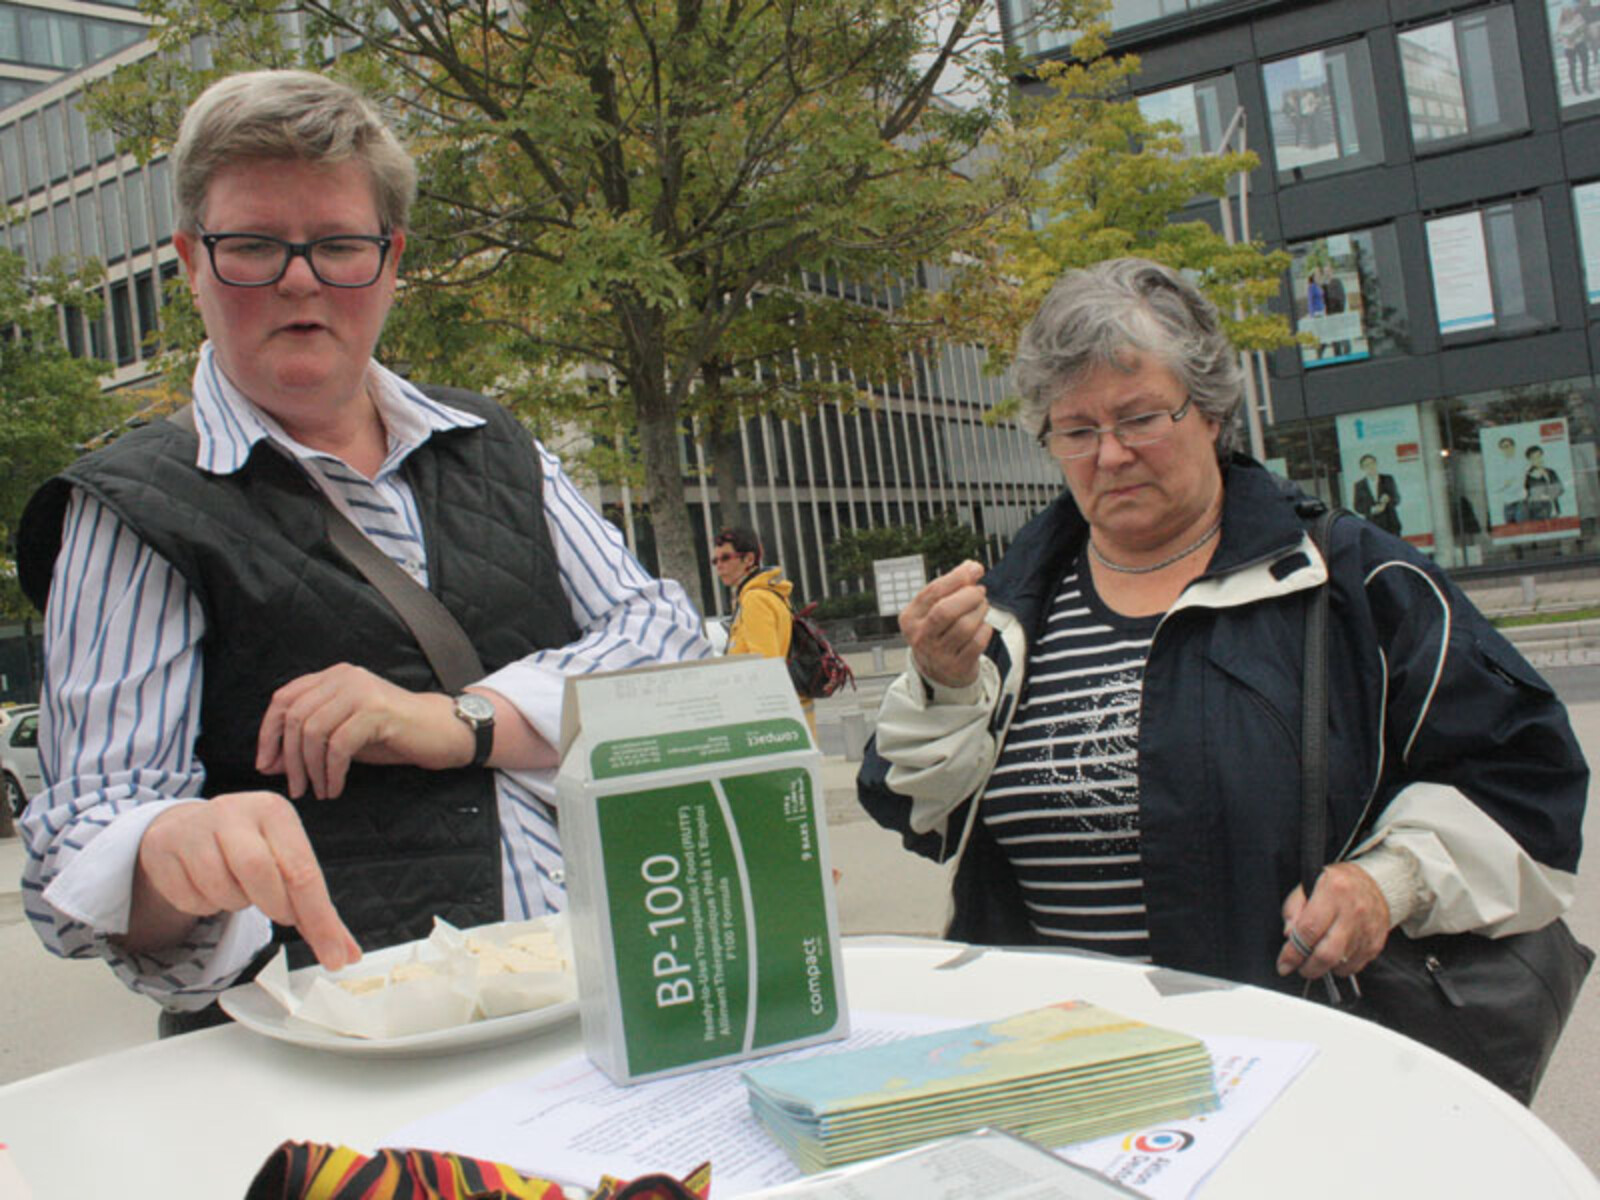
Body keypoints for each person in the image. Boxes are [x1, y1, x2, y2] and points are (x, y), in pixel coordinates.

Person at [14, 69, 711, 1031]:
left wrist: (458, 721)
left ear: (391, 259)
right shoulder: (134, 506)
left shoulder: (491, 441)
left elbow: (669, 641)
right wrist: (170, 850)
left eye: (338, 245)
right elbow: (84, 841)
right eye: (254, 246)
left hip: (608, 1002)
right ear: (189, 260)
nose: (300, 279)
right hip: (341, 1057)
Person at [857, 257, 1586, 999]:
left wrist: (1387, 884)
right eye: (1076, 430)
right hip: (1052, 1063)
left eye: (1139, 418)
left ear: (1209, 411)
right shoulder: (1013, 606)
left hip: (1286, 1059)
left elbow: (1527, 786)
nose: (1110, 455)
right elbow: (916, 812)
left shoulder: (1350, 580)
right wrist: (946, 688)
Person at [712, 526, 814, 731]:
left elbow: (765, 665)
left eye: (725, 558)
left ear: (748, 560)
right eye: (715, 560)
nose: (719, 566)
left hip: (773, 724)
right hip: (789, 719)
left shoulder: (755, 599)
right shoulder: (765, 594)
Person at [1351, 452, 1402, 536]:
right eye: (1366, 465)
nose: (1370, 467)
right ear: (1362, 468)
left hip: (1391, 525)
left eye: (1372, 463)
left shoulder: (1388, 479)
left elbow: (1397, 499)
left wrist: (1389, 498)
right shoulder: (1359, 485)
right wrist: (1371, 510)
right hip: (1373, 527)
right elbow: (1357, 507)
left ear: (1376, 464)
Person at [1524, 444, 1565, 520]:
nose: (1538, 459)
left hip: (1555, 511)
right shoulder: (1528, 476)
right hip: (1539, 513)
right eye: (1534, 458)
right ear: (1529, 460)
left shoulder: (1551, 472)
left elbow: (1560, 489)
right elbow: (1536, 494)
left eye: (1539, 456)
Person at [1492, 435, 1525, 524]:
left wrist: (1505, 485)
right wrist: (1505, 484)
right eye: (1502, 448)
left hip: (1520, 502)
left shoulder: (1521, 463)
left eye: (1507, 446)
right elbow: (1495, 487)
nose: (1505, 449)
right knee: (1510, 530)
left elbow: (1520, 484)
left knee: (1522, 528)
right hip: (1507, 503)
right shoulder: (1499, 466)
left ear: (1513, 447)